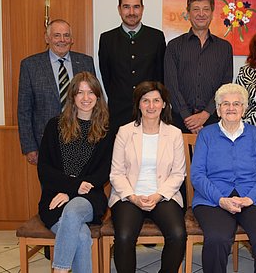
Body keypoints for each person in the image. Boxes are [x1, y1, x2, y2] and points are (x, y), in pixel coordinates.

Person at [191, 83, 256, 273]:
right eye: (225, 104)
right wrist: (220, 199)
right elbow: (197, 175)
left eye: (236, 104)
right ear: (218, 109)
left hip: (253, 198)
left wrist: (249, 198)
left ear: (244, 109)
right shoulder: (206, 135)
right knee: (217, 238)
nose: (231, 108)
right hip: (213, 200)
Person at [37, 72, 114, 273]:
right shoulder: (55, 126)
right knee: (80, 236)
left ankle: (60, 270)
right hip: (54, 199)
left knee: (72, 210)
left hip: (89, 199)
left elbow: (103, 173)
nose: (85, 98)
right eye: (80, 92)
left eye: (90, 92)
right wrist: (71, 187)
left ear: (98, 97)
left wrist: (70, 191)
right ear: (72, 96)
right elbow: (44, 170)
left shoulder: (107, 129)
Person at [108, 81, 187, 273]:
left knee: (178, 235)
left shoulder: (174, 134)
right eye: (145, 101)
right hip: (129, 196)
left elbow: (178, 173)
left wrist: (158, 195)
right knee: (125, 236)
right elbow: (116, 173)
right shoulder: (125, 132)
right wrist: (133, 197)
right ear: (138, 104)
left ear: (164, 104)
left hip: (163, 195)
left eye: (156, 100)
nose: (151, 106)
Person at [18, 19, 95, 165]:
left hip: (83, 139)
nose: (62, 40)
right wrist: (29, 147)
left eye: (66, 35)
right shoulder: (30, 65)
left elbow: (95, 100)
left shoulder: (85, 62)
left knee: (82, 185)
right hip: (46, 142)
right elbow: (24, 109)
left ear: (72, 40)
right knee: (52, 186)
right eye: (57, 35)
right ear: (47, 38)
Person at [165, 0, 233, 134]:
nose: (201, 14)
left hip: (214, 120)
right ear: (188, 13)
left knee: (213, 157)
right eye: (196, 9)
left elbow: (225, 85)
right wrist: (188, 118)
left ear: (212, 13)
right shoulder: (174, 46)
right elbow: (171, 84)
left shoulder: (224, 47)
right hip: (180, 121)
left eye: (206, 9)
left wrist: (205, 114)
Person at [99, 0, 166, 130]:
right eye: (126, 7)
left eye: (136, 7)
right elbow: (106, 76)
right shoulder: (107, 39)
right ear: (119, 9)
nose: (131, 12)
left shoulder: (156, 37)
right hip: (118, 112)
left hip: (150, 111)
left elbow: (160, 75)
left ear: (142, 9)